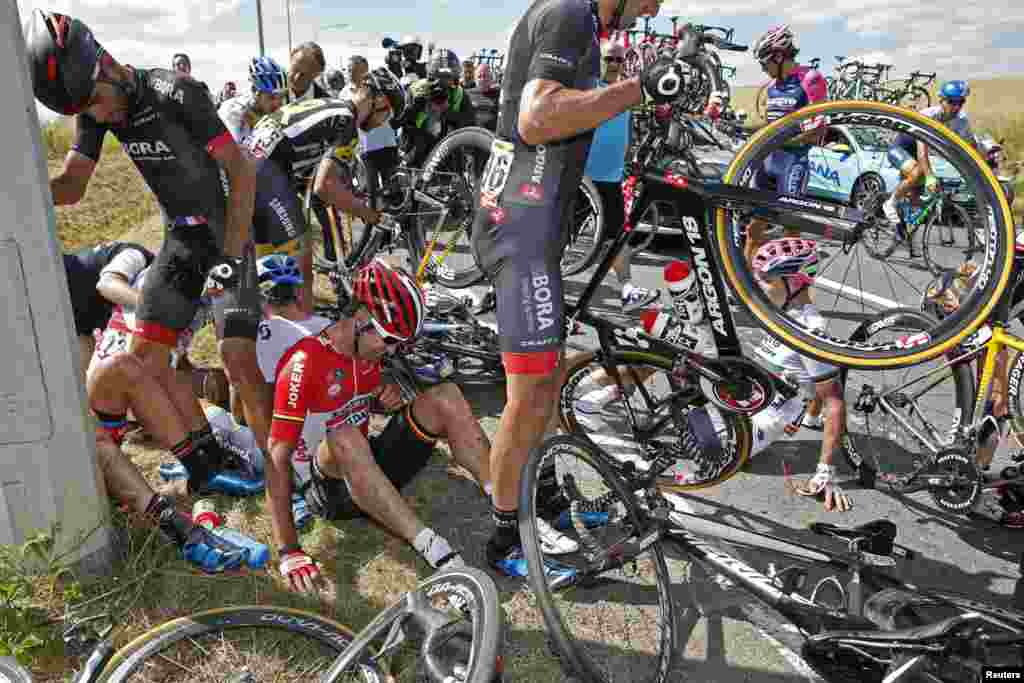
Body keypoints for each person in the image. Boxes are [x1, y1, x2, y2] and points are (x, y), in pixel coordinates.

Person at [468, 0, 681, 580]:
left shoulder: (579, 18)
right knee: (532, 389)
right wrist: (640, 88)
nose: (655, 7)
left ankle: (539, 493)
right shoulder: (567, 13)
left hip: (532, 221)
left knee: (546, 375)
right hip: (521, 227)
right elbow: (537, 118)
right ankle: (507, 533)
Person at [28, 10, 258, 495]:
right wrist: (19, 191)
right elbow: (72, 187)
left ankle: (283, 464)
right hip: (180, 239)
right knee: (146, 361)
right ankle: (207, 462)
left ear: (106, 66)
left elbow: (243, 172)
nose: (97, 116)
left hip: (225, 233)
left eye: (96, 102)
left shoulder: (175, 92)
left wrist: (232, 256)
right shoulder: (91, 107)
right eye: (82, 111)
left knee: (236, 356)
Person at [266, 260, 496, 593]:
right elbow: (276, 457)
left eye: (399, 345)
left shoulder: (367, 354)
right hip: (328, 487)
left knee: (445, 395)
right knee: (344, 433)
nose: (392, 351)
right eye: (389, 340)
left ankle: (505, 506)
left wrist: (377, 402)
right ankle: (435, 550)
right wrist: (289, 549)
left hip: (368, 469)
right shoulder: (304, 362)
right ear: (360, 320)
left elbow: (350, 400)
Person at [242, 67, 403, 294]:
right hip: (265, 173)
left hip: (250, 166)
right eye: (387, 115)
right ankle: (278, 307)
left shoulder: (329, 105)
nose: (382, 123)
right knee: (296, 262)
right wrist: (373, 217)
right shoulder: (346, 122)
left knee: (265, 263)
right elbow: (325, 187)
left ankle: (248, 300)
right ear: (379, 100)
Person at [748, 239, 851, 512]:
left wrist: (825, 472)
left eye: (765, 279)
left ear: (793, 282)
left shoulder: (809, 330)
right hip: (744, 399)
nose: (757, 286)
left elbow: (835, 399)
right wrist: (810, 415)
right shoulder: (782, 310)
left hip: (758, 423)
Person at [583, 39, 659, 311]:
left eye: (619, 59)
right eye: (609, 59)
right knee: (558, 237)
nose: (614, 64)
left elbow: (625, 134)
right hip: (583, 180)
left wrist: (628, 160)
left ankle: (627, 290)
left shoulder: (623, 94)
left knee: (618, 239)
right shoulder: (588, 88)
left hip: (611, 179)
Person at [743, 25, 827, 268]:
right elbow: (768, 125)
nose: (762, 69)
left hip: (792, 164)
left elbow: (818, 130)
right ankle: (744, 287)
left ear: (779, 56)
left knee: (791, 234)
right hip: (767, 164)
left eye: (764, 63)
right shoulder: (771, 87)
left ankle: (795, 297)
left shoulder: (810, 79)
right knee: (754, 231)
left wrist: (783, 140)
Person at [882, 80, 979, 250]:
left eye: (960, 102)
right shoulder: (928, 116)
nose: (956, 107)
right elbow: (922, 153)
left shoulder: (961, 120)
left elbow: (970, 147)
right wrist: (930, 176)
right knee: (920, 174)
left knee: (916, 201)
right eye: (951, 102)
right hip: (900, 149)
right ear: (941, 100)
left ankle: (904, 231)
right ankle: (890, 202)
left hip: (917, 156)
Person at [63, 241, 153, 373]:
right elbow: (87, 360)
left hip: (128, 262)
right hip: (115, 271)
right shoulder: (71, 310)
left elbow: (105, 285)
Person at [399, 48, 477, 168]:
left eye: (448, 78)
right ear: (430, 76)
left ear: (455, 78)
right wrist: (417, 107)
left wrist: (447, 112)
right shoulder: (415, 90)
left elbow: (469, 126)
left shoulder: (461, 94)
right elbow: (402, 123)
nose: (443, 82)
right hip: (417, 155)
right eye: (439, 77)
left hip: (449, 157)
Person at [218, 56, 288, 144]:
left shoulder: (276, 112)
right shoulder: (232, 111)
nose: (278, 104)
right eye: (271, 97)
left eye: (281, 97)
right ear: (255, 91)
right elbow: (230, 153)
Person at [465, 63, 501, 132]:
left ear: (491, 78)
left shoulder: (499, 94)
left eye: (485, 76)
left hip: (491, 135)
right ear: (475, 79)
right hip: (472, 133)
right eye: (479, 76)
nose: (482, 79)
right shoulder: (466, 94)